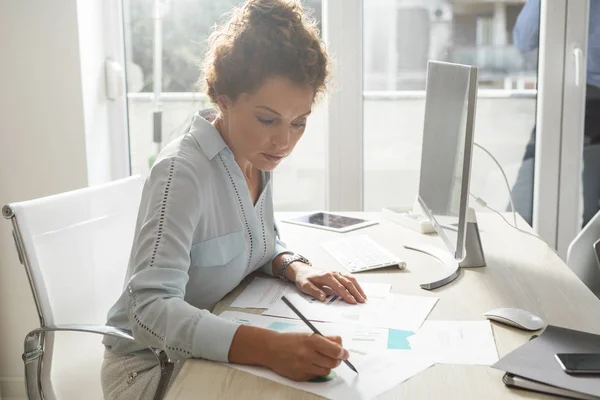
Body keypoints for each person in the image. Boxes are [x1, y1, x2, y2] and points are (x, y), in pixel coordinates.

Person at [100, 1, 368, 398]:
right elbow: (149, 310)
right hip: (151, 368)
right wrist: (267, 348)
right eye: (267, 119)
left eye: (299, 123)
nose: (283, 141)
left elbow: (250, 245)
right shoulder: (182, 174)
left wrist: (293, 267)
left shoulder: (255, 157)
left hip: (207, 349)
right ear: (223, 99)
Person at [511, 0, 600, 227]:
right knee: (592, 214)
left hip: (575, 96)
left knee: (525, 205)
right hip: (585, 98)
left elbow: (525, 37)